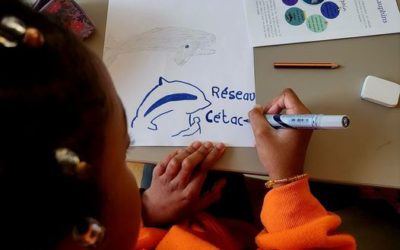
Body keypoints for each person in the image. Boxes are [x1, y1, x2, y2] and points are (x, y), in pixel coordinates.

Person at [0, 1, 355, 249]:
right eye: (125, 154)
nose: (135, 170)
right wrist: (289, 182)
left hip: (175, 225)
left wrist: (147, 211)